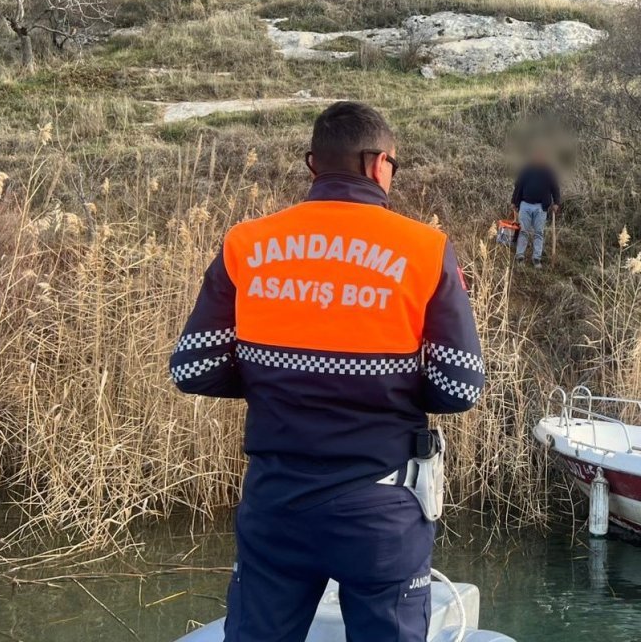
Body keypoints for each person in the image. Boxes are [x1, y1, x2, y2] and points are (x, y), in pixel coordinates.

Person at [169, 101, 484, 642]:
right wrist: (386, 384)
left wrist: (278, 376)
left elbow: (193, 367)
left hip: (276, 504)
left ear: (314, 164)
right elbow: (459, 386)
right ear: (377, 163)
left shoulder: (248, 243)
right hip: (380, 505)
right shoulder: (424, 250)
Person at [510, 151, 561, 267]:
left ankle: (536, 258)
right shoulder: (526, 170)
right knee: (523, 231)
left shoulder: (548, 171)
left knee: (539, 233)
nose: (538, 158)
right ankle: (520, 256)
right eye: (536, 156)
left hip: (540, 207)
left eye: (541, 156)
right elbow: (518, 186)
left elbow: (555, 188)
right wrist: (514, 202)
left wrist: (556, 202)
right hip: (525, 205)